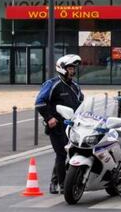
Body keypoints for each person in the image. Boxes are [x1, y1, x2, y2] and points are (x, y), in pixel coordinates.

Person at [34, 54, 84, 194]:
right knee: (61, 154)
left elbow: (82, 104)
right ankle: (61, 184)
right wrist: (49, 118)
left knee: (72, 153)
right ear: (62, 68)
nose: (73, 71)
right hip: (56, 126)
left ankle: (56, 181)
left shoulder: (75, 86)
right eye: (70, 68)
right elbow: (39, 102)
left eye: (74, 68)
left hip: (72, 127)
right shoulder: (52, 84)